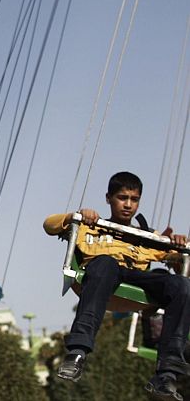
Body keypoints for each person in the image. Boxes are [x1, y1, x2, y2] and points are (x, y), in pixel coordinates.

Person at [44, 171, 190, 399]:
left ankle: (167, 374)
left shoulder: (145, 235)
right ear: (108, 198)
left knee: (182, 285)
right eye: (122, 198)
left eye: (134, 200)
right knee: (105, 263)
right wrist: (77, 215)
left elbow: (175, 259)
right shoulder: (93, 226)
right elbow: (49, 224)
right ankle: (78, 352)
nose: (128, 205)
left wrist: (179, 247)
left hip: (134, 277)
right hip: (102, 275)